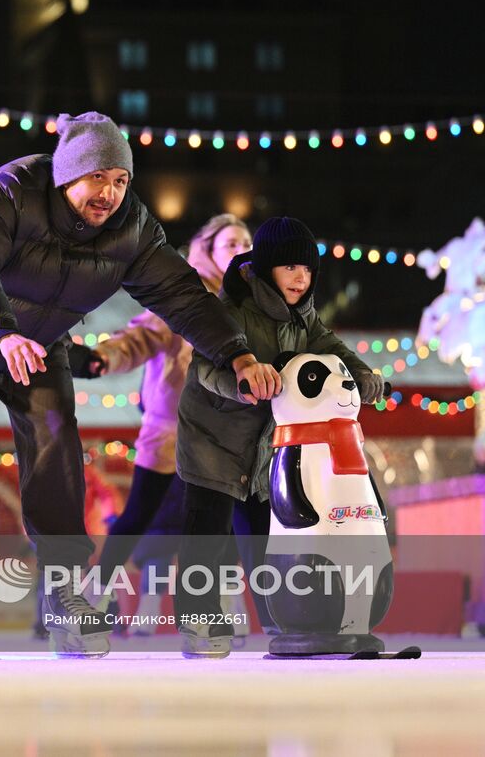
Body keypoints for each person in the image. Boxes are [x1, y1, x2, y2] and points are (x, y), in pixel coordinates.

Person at [0, 112, 280, 659]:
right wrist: (1, 334)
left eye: (121, 180)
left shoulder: (132, 230)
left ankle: (64, 590)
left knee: (55, 444)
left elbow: (184, 297)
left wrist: (237, 352)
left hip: (40, 338)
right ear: (67, 174)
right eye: (98, 177)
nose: (110, 193)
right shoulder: (10, 189)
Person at [173, 217, 383, 658]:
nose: (300, 278)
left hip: (266, 446)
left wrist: (362, 375)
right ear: (267, 268)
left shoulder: (304, 317)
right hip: (214, 438)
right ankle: (199, 620)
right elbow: (206, 369)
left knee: (264, 537)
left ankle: (283, 614)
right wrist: (243, 384)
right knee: (206, 533)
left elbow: (333, 349)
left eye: (307, 270)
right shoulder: (230, 310)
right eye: (289, 268)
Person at [82, 214, 254, 587]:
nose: (242, 251)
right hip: (170, 429)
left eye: (246, 244)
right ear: (208, 252)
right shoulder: (187, 298)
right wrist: (104, 356)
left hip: (226, 436)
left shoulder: (254, 306)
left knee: (231, 519)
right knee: (139, 514)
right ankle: (96, 592)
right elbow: (141, 336)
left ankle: (223, 601)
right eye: (231, 244)